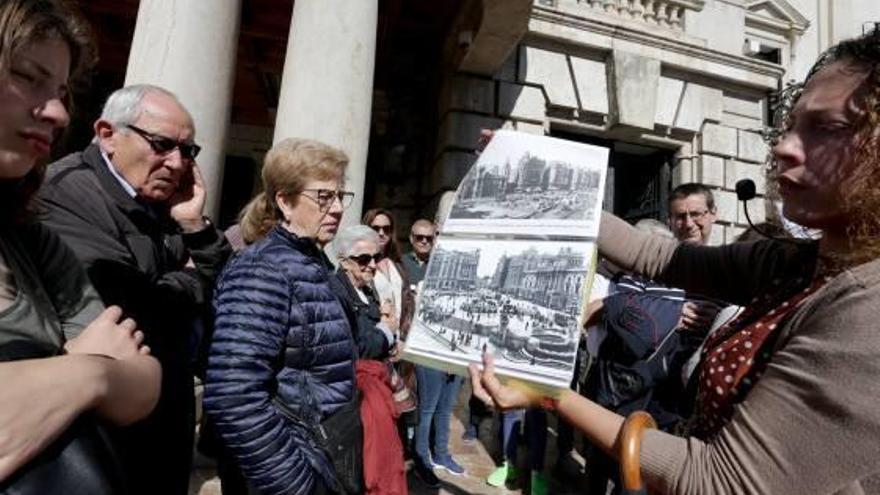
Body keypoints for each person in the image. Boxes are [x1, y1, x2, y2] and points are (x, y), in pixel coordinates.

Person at [471, 32, 880, 494]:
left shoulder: (869, 309)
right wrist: (543, 177)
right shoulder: (792, 262)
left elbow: (717, 480)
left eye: (826, 127)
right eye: (792, 124)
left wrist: (551, 394)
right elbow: (657, 254)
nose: (785, 146)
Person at [37, 83, 231, 495]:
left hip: (165, 420)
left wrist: (195, 226)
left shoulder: (167, 206)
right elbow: (130, 311)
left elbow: (229, 291)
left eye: (188, 151)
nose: (177, 163)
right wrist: (192, 279)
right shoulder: (67, 192)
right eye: (161, 144)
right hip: (103, 439)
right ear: (108, 135)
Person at [0, 0, 159, 487]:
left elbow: (145, 377)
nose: (56, 112)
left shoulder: (32, 240)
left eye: (62, 92)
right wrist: (87, 368)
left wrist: (82, 375)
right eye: (28, 76)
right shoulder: (74, 194)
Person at [204, 138, 359, 495]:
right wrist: (296, 483)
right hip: (291, 471)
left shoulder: (312, 260)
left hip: (326, 455)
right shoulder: (262, 269)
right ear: (284, 201)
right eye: (323, 197)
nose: (336, 208)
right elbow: (232, 394)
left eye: (340, 196)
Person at [330, 225, 406, 495]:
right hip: (358, 399)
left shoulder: (367, 288)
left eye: (375, 257)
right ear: (344, 261)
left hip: (378, 390)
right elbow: (356, 347)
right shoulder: (336, 291)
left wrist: (391, 341)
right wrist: (385, 329)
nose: (372, 265)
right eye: (363, 259)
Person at [363, 208, 411, 323]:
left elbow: (406, 303)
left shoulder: (397, 264)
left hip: (399, 336)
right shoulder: (360, 265)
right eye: (375, 228)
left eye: (386, 229)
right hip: (377, 332)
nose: (381, 233)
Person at [401, 218, 435, 286]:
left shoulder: (438, 264)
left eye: (429, 238)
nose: (424, 241)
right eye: (420, 237)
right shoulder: (400, 262)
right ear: (411, 239)